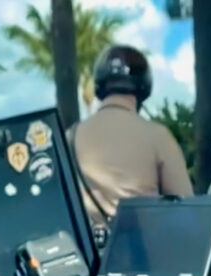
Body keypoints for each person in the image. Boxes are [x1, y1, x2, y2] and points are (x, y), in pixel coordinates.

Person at [67, 45, 194, 229]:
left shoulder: (71, 136)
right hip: (145, 252)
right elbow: (186, 208)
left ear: (99, 85)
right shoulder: (157, 136)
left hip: (86, 255)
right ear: (144, 86)